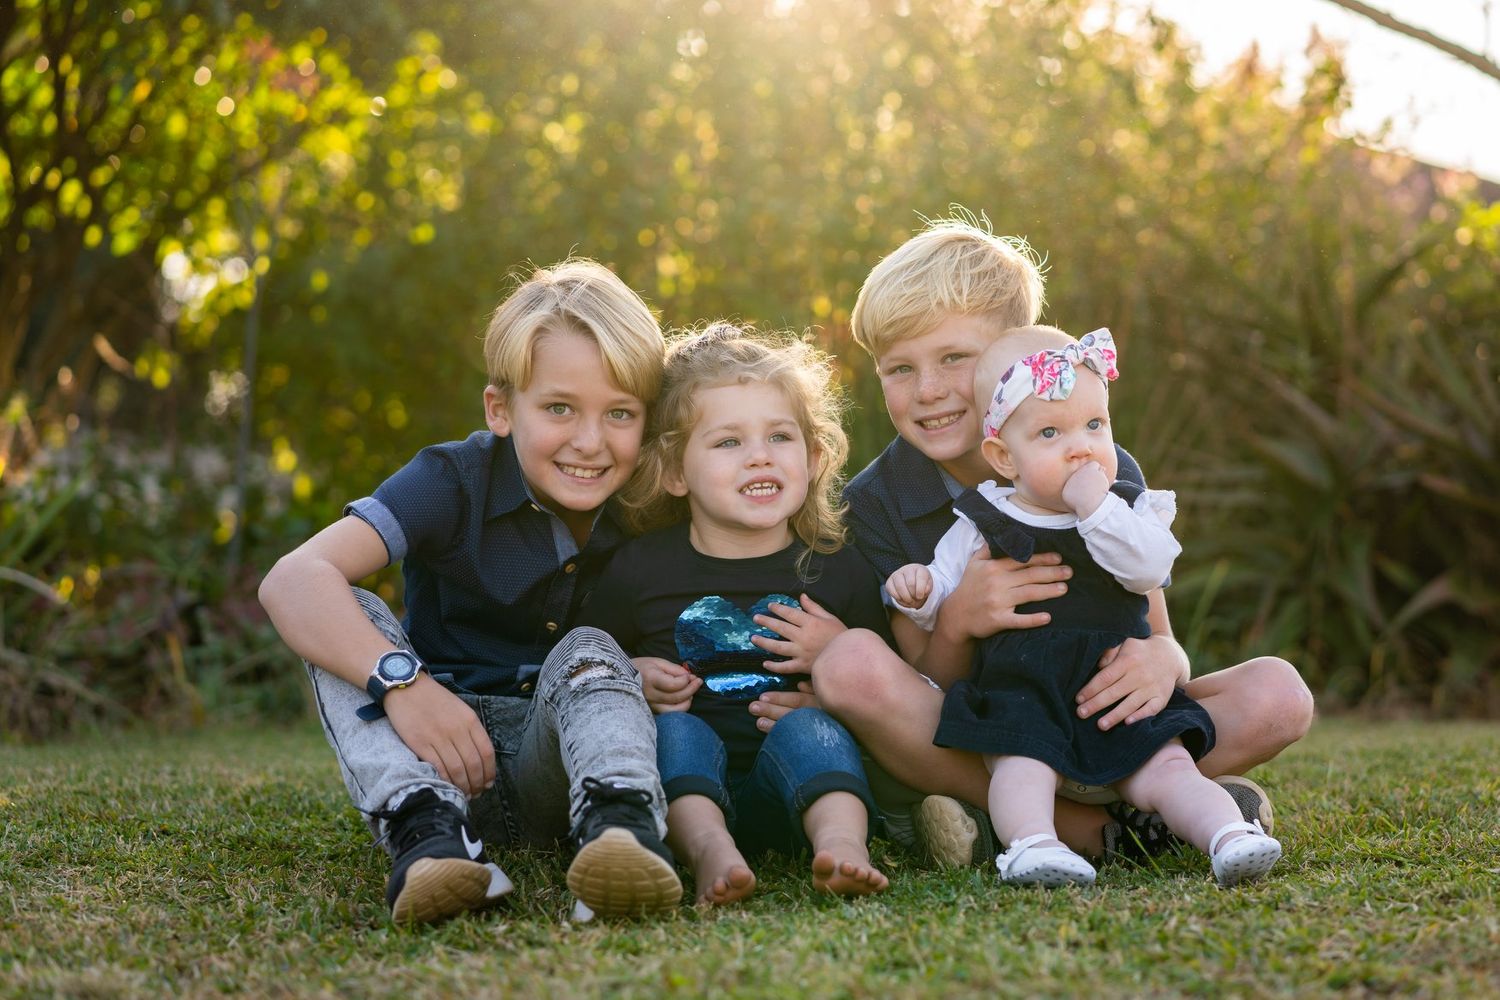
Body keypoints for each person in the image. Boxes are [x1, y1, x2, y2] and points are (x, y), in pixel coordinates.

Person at [814, 214, 1315, 868]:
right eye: (899, 369)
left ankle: (1027, 820)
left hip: (1106, 716)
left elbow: (1156, 632)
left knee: (1280, 695)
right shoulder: (878, 501)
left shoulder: (1096, 463)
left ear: (1018, 358)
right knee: (850, 666)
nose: (928, 391)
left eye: (954, 359)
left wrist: (1164, 660)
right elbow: (928, 687)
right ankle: (1099, 828)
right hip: (993, 728)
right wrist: (959, 618)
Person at [258, 259, 684, 923]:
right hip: (436, 758)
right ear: (500, 409)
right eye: (560, 408)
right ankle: (428, 837)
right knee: (346, 613)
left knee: (590, 648)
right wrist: (405, 687)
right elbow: (291, 579)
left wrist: (629, 673)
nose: (590, 442)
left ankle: (619, 832)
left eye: (620, 413)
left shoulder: (652, 502)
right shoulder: (451, 480)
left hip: (563, 767)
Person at [885, 326, 1282, 886]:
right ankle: (1034, 846)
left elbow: (1148, 567)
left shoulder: (1126, 510)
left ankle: (1228, 835)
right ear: (1004, 457)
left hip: (1116, 694)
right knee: (1021, 768)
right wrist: (920, 588)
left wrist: (1098, 510)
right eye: (1050, 432)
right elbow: (943, 589)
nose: (1081, 447)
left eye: (1095, 425)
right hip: (1026, 693)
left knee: (1169, 765)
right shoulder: (982, 519)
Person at [579, 324, 892, 905]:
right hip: (689, 789)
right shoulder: (640, 569)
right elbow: (589, 666)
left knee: (811, 730)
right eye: (728, 442)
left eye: (780, 436)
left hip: (800, 786)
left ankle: (843, 846)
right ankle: (711, 853)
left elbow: (884, 688)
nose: (759, 456)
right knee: (675, 731)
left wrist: (834, 700)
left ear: (813, 457)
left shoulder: (837, 569)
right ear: (674, 472)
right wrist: (633, 676)